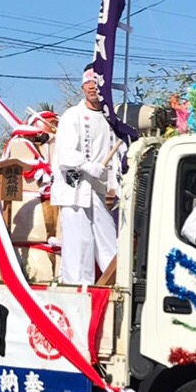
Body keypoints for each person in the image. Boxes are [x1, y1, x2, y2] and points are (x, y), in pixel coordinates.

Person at [50, 68, 121, 286]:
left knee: (109, 239)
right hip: (74, 189)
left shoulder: (112, 119)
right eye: (88, 82)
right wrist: (88, 166)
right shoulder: (73, 115)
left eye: (96, 82)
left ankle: (117, 282)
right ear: (82, 86)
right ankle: (79, 288)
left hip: (97, 191)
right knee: (80, 243)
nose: (92, 86)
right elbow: (65, 154)